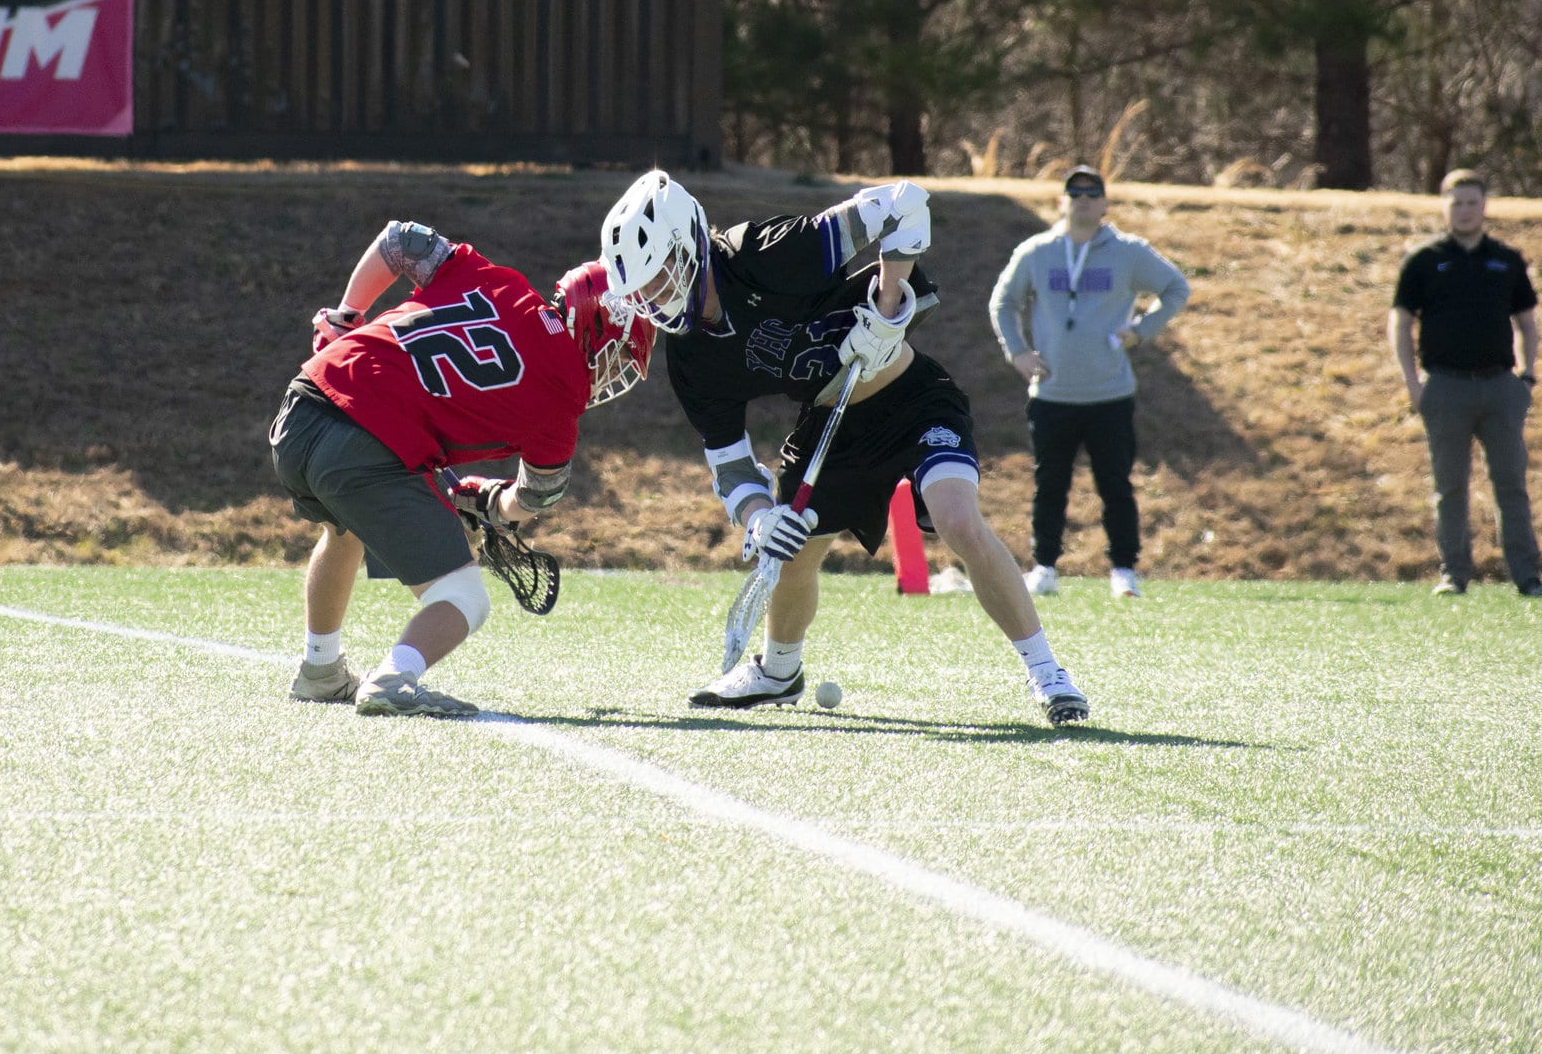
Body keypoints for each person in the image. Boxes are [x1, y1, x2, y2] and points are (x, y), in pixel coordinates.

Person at [599, 170, 1092, 725]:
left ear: (687, 246)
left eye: (658, 280)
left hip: (912, 400)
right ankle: (779, 671)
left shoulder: (767, 253)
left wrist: (886, 310)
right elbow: (729, 461)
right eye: (642, 291)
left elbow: (905, 206)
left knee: (958, 520)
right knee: (790, 552)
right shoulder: (690, 357)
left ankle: (1048, 674)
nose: (652, 300)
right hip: (832, 422)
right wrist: (759, 518)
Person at [275, 220, 655, 717]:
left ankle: (320, 671)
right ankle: (393, 679)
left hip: (301, 408)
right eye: (619, 355)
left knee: (345, 529)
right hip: (361, 446)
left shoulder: (503, 282)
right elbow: (537, 496)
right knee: (464, 597)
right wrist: (490, 503)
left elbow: (400, 241)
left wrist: (348, 314)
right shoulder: (563, 399)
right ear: (598, 330)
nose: (615, 371)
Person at [988, 166, 1191, 599]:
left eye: (1091, 192)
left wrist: (1141, 330)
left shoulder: (1128, 252)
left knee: (1115, 483)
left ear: (1104, 202)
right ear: (1062, 201)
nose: (1082, 198)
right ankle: (1044, 568)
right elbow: (1003, 302)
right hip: (1052, 394)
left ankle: (1123, 571)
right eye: (1074, 192)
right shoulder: (1038, 251)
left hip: (1109, 393)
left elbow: (1175, 287)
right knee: (1051, 484)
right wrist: (1017, 351)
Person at [1389, 169, 1542, 597]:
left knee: (1511, 483)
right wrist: (1412, 382)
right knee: (1451, 487)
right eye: (1455, 202)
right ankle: (1454, 574)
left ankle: (1527, 576)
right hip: (1446, 386)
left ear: (1485, 206)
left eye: (1471, 202)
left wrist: (1526, 375)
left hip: (1499, 386)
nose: (1463, 211)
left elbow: (1527, 324)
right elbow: (1401, 323)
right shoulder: (1424, 261)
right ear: (1444, 206)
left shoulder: (1506, 260)